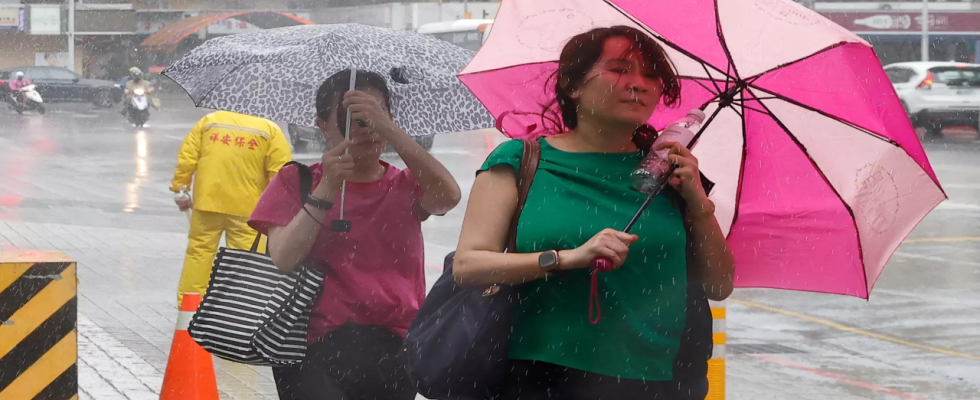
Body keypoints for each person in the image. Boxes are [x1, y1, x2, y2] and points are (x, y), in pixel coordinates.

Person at [453, 25, 735, 399]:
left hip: (664, 379)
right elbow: (468, 266)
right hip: (544, 375)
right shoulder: (523, 161)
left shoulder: (673, 171)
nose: (638, 83)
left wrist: (699, 205)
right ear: (573, 85)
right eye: (619, 69)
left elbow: (719, 286)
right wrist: (567, 258)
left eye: (651, 75)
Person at [248, 69, 461, 400]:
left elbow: (449, 196)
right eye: (350, 117)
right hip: (310, 345)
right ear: (322, 124)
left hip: (394, 345)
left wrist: (388, 129)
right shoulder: (295, 181)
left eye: (373, 115)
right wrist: (327, 187)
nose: (364, 129)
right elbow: (284, 257)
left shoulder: (406, 184)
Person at [169, 110, 292, 305]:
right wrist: (274, 205)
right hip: (248, 208)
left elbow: (187, 158)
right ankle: (239, 305)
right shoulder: (269, 130)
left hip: (208, 201)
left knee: (200, 252)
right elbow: (280, 171)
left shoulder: (210, 122)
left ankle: (190, 305)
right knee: (246, 259)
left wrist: (181, 188)